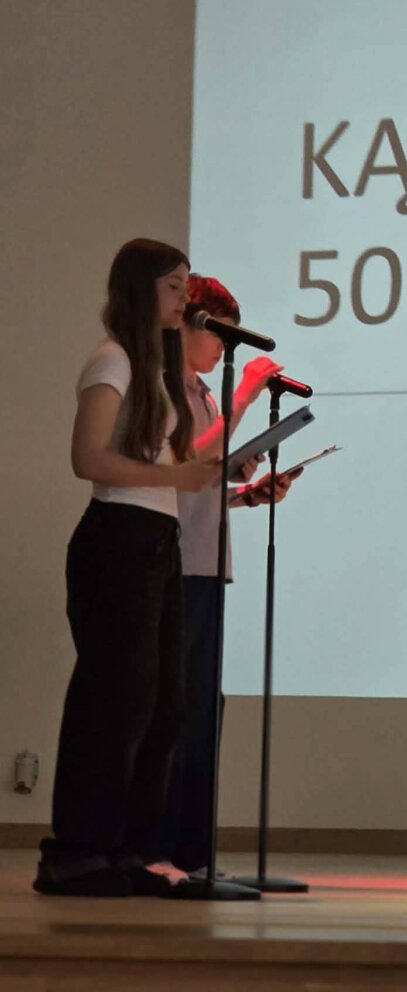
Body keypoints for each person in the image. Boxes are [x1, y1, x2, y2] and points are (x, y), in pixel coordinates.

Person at [36, 239, 221, 897]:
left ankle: (133, 850)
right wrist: (178, 475)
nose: (184, 299)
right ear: (140, 289)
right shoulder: (112, 359)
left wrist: (217, 473)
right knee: (116, 702)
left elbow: (165, 464)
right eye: (174, 287)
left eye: (186, 286)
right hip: (118, 538)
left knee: (164, 704)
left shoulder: (155, 366)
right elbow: (88, 459)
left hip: (158, 541)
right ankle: (76, 854)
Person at [163, 273, 298, 876]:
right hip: (176, 565)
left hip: (207, 564)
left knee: (202, 708)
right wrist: (244, 395)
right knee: (178, 709)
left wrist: (248, 491)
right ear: (190, 325)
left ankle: (193, 854)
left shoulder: (202, 394)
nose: (224, 350)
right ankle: (163, 850)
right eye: (220, 336)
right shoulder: (167, 390)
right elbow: (186, 465)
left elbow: (203, 484)